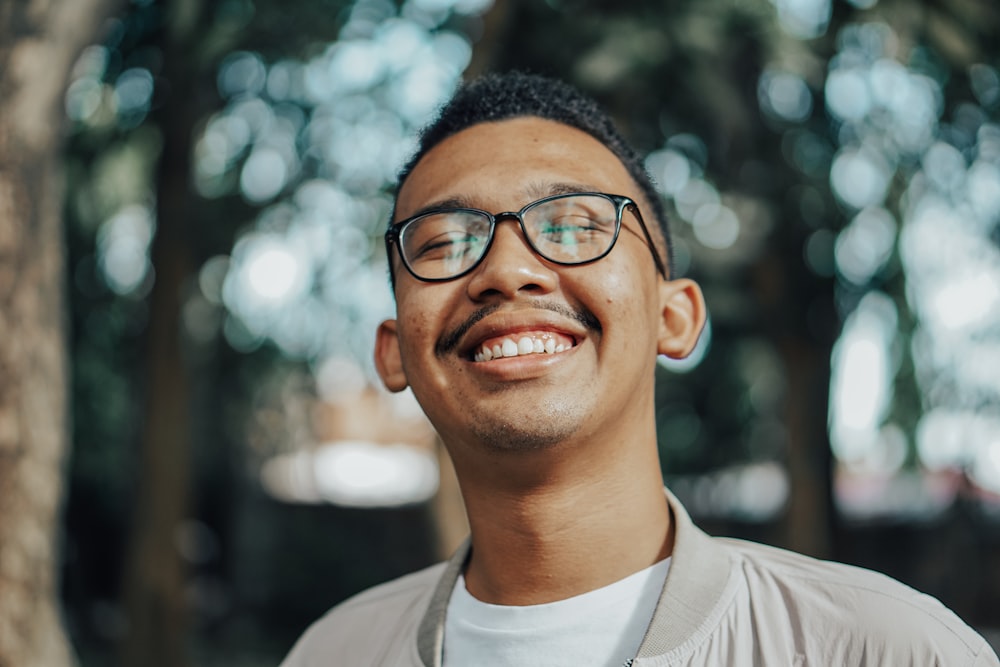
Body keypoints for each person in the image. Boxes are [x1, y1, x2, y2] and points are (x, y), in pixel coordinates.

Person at [280, 71, 999, 666]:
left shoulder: (885, 649)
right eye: (442, 243)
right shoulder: (331, 653)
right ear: (393, 349)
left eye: (571, 225)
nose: (507, 269)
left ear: (674, 315)